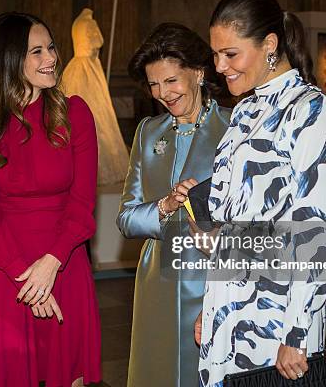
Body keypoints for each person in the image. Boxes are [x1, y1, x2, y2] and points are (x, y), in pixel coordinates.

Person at [195, 0, 326, 386]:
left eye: (231, 54)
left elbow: (315, 228)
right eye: (215, 54)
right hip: (230, 317)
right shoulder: (244, 108)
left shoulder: (313, 110)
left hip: (277, 330)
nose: (220, 66)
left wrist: (296, 333)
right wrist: (213, 308)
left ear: (270, 45)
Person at [0, 12, 101, 386]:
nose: (51, 58)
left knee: (67, 376)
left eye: (51, 47)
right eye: (36, 51)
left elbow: (83, 205)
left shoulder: (76, 114)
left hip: (66, 266)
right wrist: (30, 280)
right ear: (9, 60)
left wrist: (51, 264)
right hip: (8, 271)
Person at [118, 22, 230, 387]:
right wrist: (164, 206)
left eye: (170, 81)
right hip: (157, 283)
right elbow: (126, 219)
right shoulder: (148, 132)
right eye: (153, 84)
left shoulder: (234, 128)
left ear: (198, 72)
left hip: (213, 281)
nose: (162, 93)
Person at [61, 8, 129, 185]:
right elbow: (98, 40)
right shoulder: (88, 23)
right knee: (97, 115)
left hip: (77, 67)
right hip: (88, 70)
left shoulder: (77, 24)